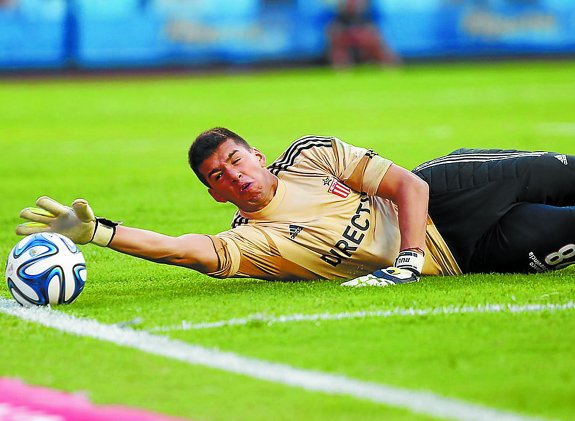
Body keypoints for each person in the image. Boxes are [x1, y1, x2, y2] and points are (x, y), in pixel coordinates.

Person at [16, 128, 575, 288]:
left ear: (257, 156)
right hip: (466, 253)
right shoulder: (250, 242)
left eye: (237, 160)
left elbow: (408, 185)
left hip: (448, 192)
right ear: (216, 194)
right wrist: (100, 232)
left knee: (562, 172)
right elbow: (183, 251)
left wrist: (405, 260)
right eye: (219, 176)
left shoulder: (310, 156)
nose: (235, 175)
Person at [327, 0, 399, 68]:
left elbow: (373, 29)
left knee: (377, 42)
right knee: (337, 43)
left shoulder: (367, 14)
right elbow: (332, 29)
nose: (353, 3)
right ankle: (342, 70)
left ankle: (390, 68)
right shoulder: (338, 15)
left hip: (364, 40)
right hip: (346, 40)